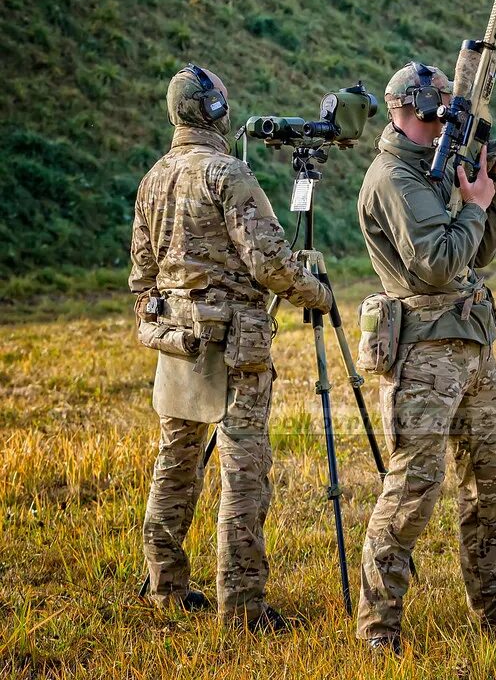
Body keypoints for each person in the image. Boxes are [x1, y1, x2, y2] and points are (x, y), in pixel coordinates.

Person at [129, 63, 331, 632]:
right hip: (233, 347)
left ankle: (165, 584)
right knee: (243, 472)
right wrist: (316, 292)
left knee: (176, 462)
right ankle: (241, 608)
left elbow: (142, 277)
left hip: (176, 341)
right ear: (214, 110)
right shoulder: (228, 174)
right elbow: (269, 263)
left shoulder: (153, 178)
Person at [355, 61, 496, 654]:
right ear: (405, 111)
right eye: (433, 115)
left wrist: (494, 189)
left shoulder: (434, 167)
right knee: (415, 489)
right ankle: (378, 630)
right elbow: (436, 261)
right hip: (425, 353)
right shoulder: (393, 179)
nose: (442, 126)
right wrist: (476, 203)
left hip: (471, 343)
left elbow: (476, 252)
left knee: (490, 482)